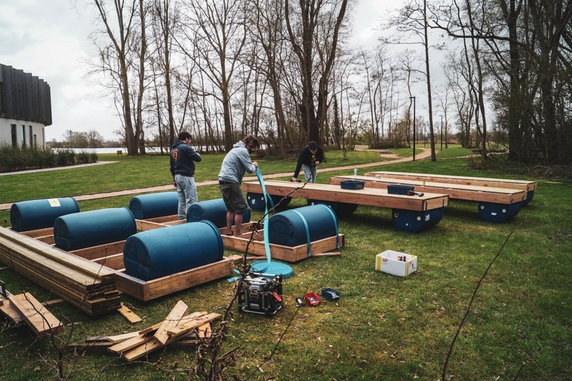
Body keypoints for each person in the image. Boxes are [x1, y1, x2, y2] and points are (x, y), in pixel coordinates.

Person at [218, 135, 260, 236]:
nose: (252, 150)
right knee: (240, 209)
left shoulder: (235, 149)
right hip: (231, 181)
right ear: (248, 144)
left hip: (223, 180)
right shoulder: (243, 151)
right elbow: (250, 169)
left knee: (231, 209)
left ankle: (228, 232)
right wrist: (254, 165)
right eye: (252, 147)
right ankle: (238, 234)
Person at [170, 131, 202, 220]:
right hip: (186, 176)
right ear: (186, 139)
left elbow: (172, 166)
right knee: (191, 200)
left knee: (181, 200)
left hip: (177, 176)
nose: (190, 141)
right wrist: (197, 153)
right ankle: (191, 219)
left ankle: (181, 218)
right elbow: (198, 159)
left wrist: (174, 179)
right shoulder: (186, 147)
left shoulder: (173, 149)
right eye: (189, 139)